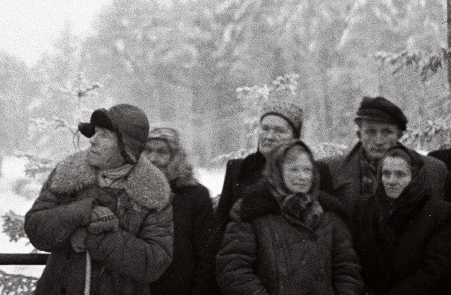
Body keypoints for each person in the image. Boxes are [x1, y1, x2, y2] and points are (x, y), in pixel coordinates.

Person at [24, 104, 173, 295]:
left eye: (105, 135)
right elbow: (35, 228)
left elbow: (153, 262)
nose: (93, 140)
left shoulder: (153, 191)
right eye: (95, 133)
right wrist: (82, 212)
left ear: (126, 148)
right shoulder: (68, 173)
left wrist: (93, 238)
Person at [216, 140, 363, 295]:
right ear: (278, 172)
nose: (302, 176)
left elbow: (347, 270)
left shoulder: (328, 215)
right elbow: (233, 268)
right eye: (294, 170)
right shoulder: (252, 213)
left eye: (307, 170)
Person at [214, 101, 334, 239]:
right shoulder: (240, 169)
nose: (269, 136)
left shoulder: (314, 171)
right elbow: (219, 225)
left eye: (279, 131)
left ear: (295, 137)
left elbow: (329, 226)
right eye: (265, 129)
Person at [351, 144, 451, 294]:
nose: (391, 181)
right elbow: (354, 261)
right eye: (386, 173)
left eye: (400, 174)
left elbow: (435, 272)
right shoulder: (365, 208)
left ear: (415, 177)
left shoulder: (437, 213)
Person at [325, 96, 447, 211]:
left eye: (386, 132)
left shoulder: (433, 170)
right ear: (359, 135)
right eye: (371, 132)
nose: (378, 141)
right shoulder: (330, 171)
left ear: (399, 135)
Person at [143, 126, 219, 295]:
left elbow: (206, 255)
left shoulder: (194, 195)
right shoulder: (133, 191)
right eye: (147, 151)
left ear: (175, 157)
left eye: (162, 152)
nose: (152, 158)